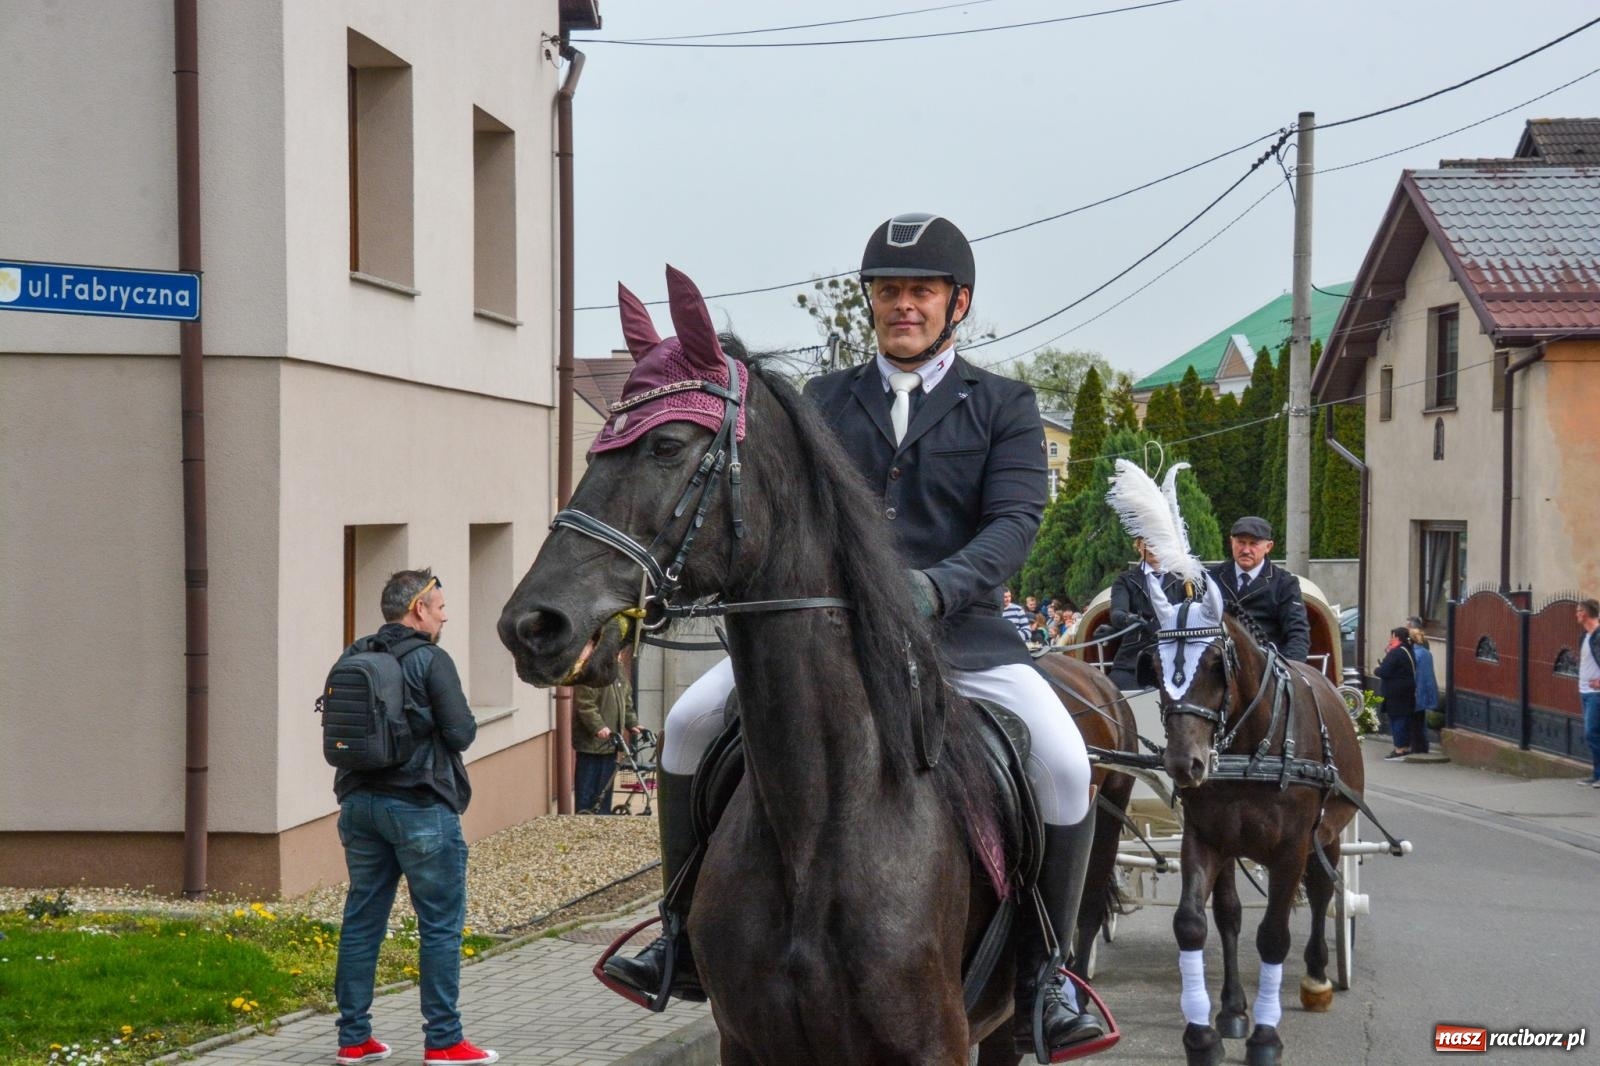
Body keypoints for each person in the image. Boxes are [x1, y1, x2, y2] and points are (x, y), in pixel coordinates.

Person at [605, 213, 1103, 1054]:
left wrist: (936, 587)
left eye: (920, 292)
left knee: (1063, 760)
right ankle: (678, 935)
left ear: (957, 304)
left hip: (962, 639)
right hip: (821, 640)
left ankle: (1047, 974)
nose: (902, 306)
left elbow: (1015, 522)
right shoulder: (823, 401)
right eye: (887, 293)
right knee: (689, 724)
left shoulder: (1005, 407)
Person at [333, 570, 497, 1066]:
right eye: (441, 607)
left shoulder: (354, 654)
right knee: (440, 926)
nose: (445, 615)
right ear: (419, 608)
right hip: (421, 806)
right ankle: (444, 1042)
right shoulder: (431, 659)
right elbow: (462, 732)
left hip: (359, 804)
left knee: (362, 920)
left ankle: (353, 1039)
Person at [1209, 516, 1311, 661]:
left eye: (1253, 544)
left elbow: (1298, 634)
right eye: (1241, 542)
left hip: (1266, 669)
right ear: (1231, 542)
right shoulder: (1211, 578)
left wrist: (1286, 672)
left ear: (1268, 547)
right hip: (1216, 665)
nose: (1246, 550)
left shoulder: (1285, 583)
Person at [573, 647, 638, 815]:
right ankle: (584, 818)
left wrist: (632, 723)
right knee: (588, 785)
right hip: (592, 743)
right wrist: (598, 727)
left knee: (605, 786)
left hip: (611, 742)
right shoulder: (590, 670)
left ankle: (603, 817)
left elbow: (626, 698)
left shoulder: (618, 670)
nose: (620, 654)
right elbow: (585, 704)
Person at [1105, 537, 1170, 690]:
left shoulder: (1182, 580)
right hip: (1134, 656)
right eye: (1148, 542)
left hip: (1175, 654)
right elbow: (1117, 612)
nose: (1154, 547)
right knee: (1115, 685)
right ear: (1139, 546)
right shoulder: (1125, 580)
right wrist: (1128, 619)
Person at [1373, 626, 1417, 761]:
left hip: (1396, 692)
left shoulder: (1396, 653)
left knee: (1397, 719)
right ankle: (1405, 746)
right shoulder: (1408, 650)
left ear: (1397, 637)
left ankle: (1399, 749)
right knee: (1404, 719)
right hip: (1407, 690)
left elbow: (1384, 671)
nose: (1390, 639)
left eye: (1391, 637)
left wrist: (1377, 669)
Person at [1406, 617, 1438, 756]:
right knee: (1419, 719)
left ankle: (1418, 746)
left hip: (1417, 689)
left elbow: (1416, 673)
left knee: (1415, 720)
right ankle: (1421, 746)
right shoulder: (1425, 652)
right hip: (1424, 689)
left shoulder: (1416, 654)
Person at [1577, 599, 1600, 787]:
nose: (1576, 614)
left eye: (1578, 611)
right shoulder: (1585, 636)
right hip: (1584, 691)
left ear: (1584, 613)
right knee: (1593, 733)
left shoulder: (1598, 635)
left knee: (1591, 732)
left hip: (1596, 694)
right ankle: (1596, 775)